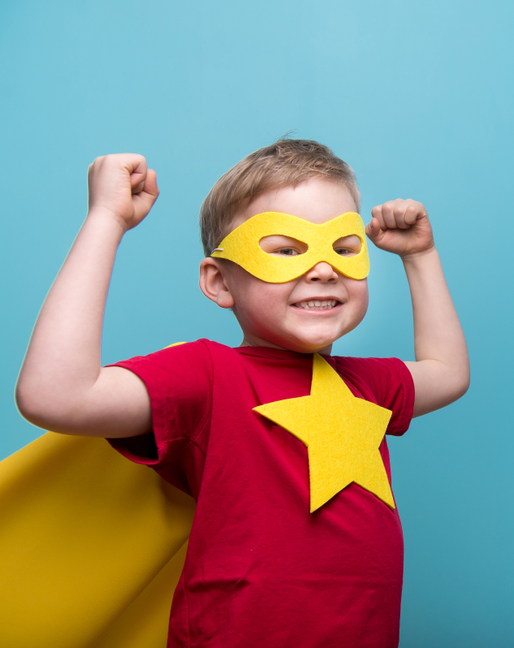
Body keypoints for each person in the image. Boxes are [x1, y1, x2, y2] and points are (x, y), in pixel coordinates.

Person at [15, 140, 470, 647]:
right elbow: (54, 395)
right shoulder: (206, 375)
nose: (323, 269)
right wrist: (105, 220)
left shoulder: (367, 385)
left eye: (343, 248)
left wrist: (420, 256)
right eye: (284, 250)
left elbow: (447, 372)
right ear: (219, 282)